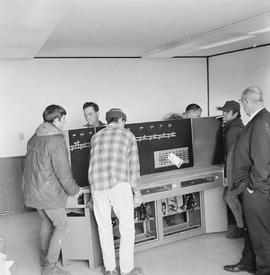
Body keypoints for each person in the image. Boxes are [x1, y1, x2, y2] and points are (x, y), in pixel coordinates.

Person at [22, 105, 80, 275]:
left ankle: (43, 258)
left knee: (47, 222)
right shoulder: (56, 140)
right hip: (47, 192)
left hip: (32, 190)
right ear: (56, 120)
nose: (65, 122)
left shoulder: (34, 137)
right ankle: (50, 266)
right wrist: (74, 190)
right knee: (62, 225)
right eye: (63, 119)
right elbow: (62, 171)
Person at [88, 108, 142, 275]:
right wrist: (137, 193)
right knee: (127, 228)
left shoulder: (96, 136)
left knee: (104, 228)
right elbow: (133, 166)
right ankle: (126, 270)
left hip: (98, 186)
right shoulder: (128, 135)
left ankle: (110, 269)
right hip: (120, 184)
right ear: (121, 120)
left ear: (108, 120)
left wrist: (91, 194)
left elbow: (92, 166)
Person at [224, 86, 270, 274]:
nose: (243, 107)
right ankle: (248, 262)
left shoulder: (260, 123)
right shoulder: (260, 119)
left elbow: (262, 160)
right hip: (253, 186)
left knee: (260, 233)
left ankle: (264, 269)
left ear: (247, 101)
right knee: (251, 229)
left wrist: (252, 187)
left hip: (257, 189)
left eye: (242, 103)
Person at [217, 101, 245, 238]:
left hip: (237, 173)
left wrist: (229, 177)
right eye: (223, 111)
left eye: (226, 112)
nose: (223, 114)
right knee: (231, 197)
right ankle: (241, 227)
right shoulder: (235, 126)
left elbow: (231, 156)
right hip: (240, 172)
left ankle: (241, 228)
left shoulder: (233, 131)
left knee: (229, 196)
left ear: (234, 114)